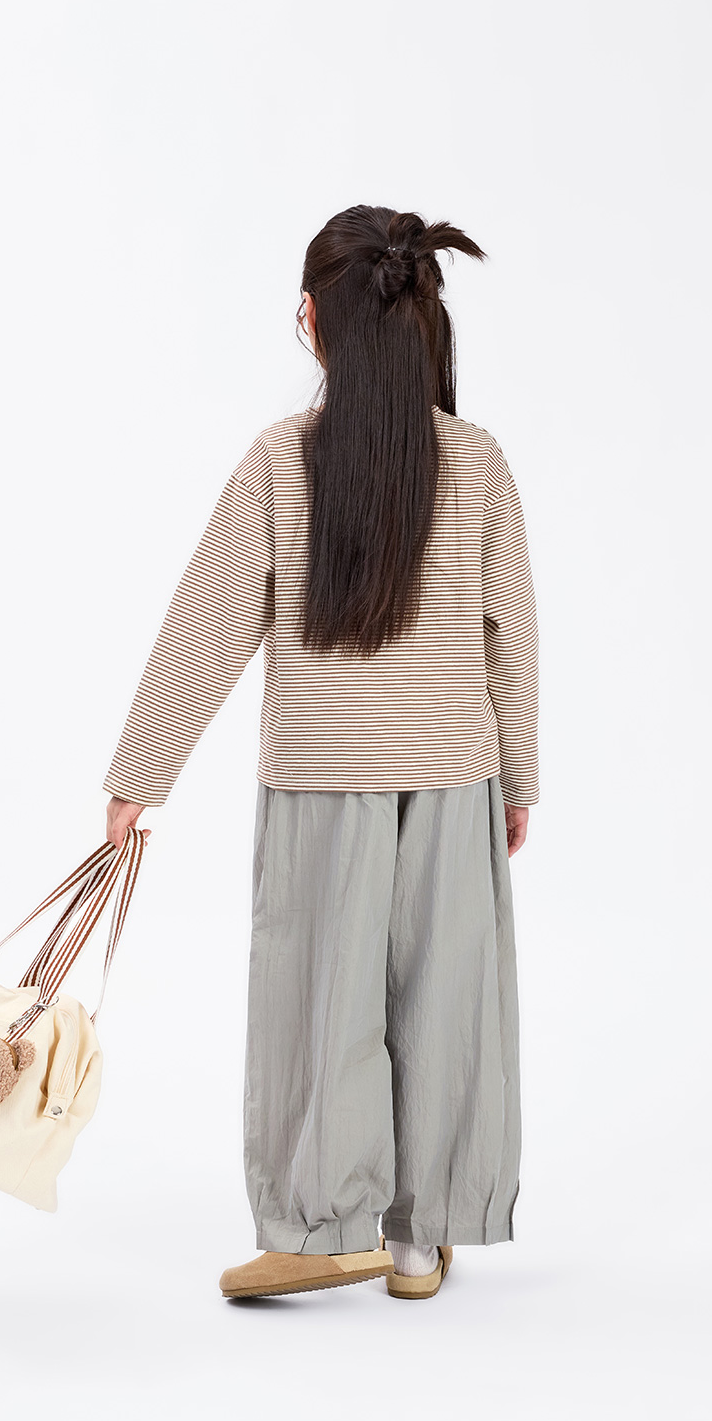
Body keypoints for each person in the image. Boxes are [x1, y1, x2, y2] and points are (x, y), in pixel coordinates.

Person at [102, 204, 538, 1301]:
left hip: (318, 777)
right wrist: (520, 777)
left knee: (321, 1000)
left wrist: (138, 777)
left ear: (313, 319)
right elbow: (511, 635)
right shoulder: (478, 461)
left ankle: (324, 1225)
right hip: (455, 775)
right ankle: (419, 1238)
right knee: (445, 1000)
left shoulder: (279, 459)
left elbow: (206, 625)